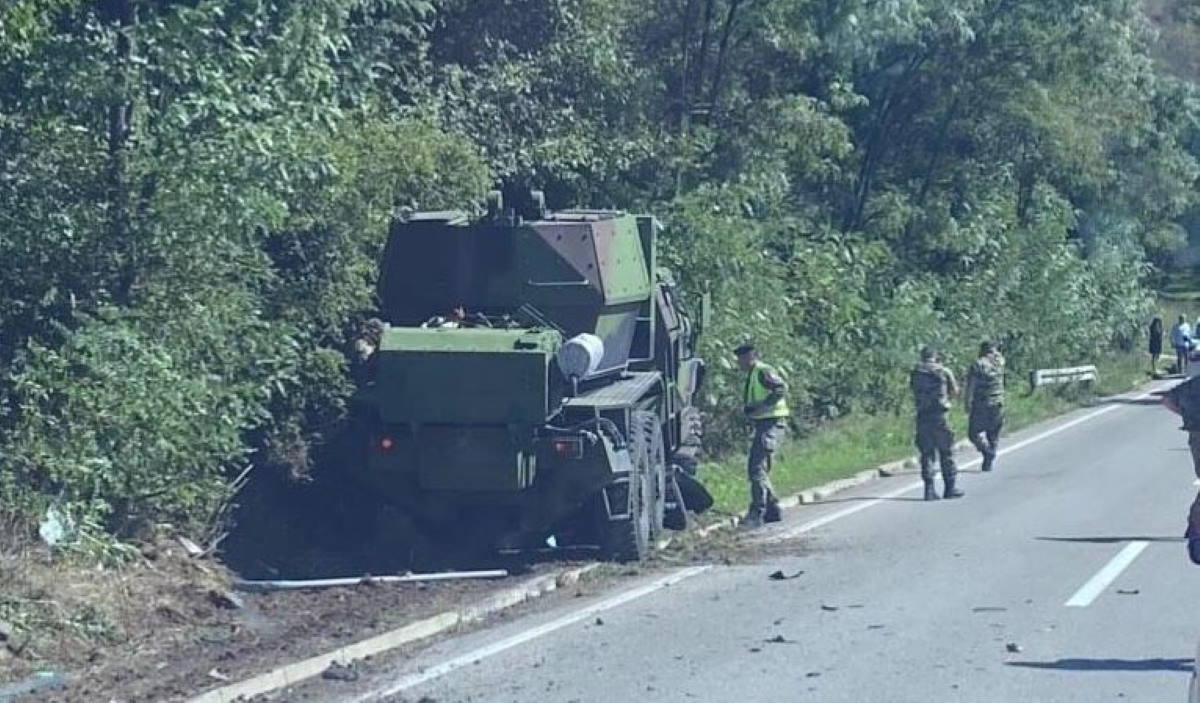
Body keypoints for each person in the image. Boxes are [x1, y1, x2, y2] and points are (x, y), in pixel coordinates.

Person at [735, 343, 790, 528]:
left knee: (756, 468)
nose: (739, 362)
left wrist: (762, 406)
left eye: (741, 358)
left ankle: (757, 512)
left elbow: (780, 389)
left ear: (751, 356)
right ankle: (772, 509)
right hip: (764, 424)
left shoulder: (762, 371)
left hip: (771, 423)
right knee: (760, 468)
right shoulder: (754, 374)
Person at [910, 346, 964, 501]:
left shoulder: (916, 373)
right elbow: (955, 391)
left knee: (927, 453)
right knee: (946, 452)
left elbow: (913, 391)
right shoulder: (944, 371)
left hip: (922, 416)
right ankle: (950, 487)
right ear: (935, 356)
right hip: (940, 416)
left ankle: (929, 488)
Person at [1161, 375, 1200, 565]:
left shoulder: (1195, 383)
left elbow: (1167, 399)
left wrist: (1186, 415)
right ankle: (1196, 529)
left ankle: (1196, 526)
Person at [963, 341, 1006, 472]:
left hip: (982, 403)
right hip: (998, 402)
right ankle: (989, 459)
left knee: (973, 433)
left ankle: (987, 453)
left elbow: (971, 385)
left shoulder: (978, 365)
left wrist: (966, 401)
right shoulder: (999, 362)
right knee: (993, 433)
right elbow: (998, 355)